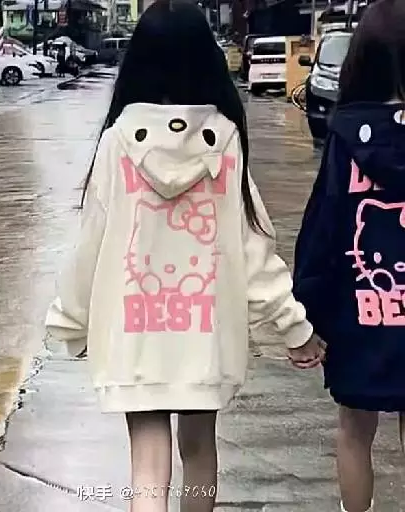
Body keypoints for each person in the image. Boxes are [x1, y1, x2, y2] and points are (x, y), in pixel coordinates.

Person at [46, 1, 323, 511]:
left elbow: (92, 243)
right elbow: (253, 248)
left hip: (134, 335)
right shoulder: (225, 142)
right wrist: (293, 327)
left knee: (147, 463)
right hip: (203, 338)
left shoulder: (117, 142)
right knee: (198, 451)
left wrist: (72, 321)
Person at [293, 1, 405, 511]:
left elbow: (323, 229)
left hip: (360, 319)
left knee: (355, 430)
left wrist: (306, 318)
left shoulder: (343, 136)